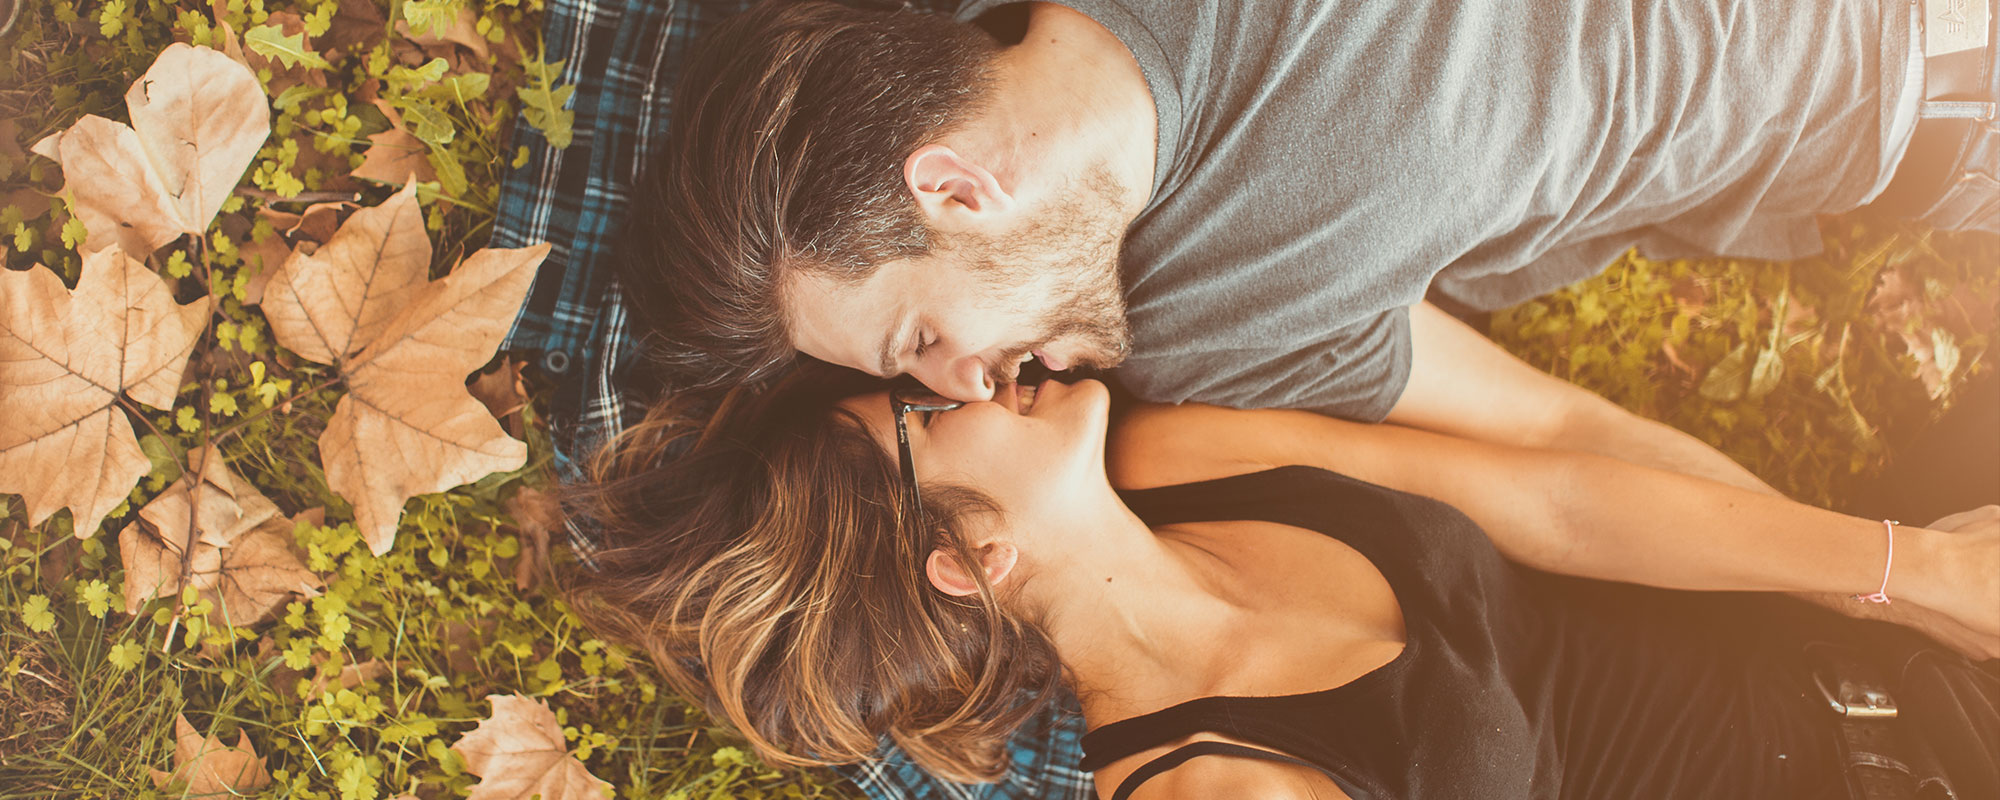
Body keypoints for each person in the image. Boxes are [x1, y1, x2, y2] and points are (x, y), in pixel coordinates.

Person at [616, 0, 1996, 504]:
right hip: (1930, 125)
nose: (967, 385)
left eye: (922, 340)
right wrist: (1885, 580)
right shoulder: (1210, 335)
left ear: (957, 188)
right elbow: (1560, 441)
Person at [565, 369, 2000, 799]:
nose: (963, 371)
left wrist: (1910, 572)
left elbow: (1557, 498)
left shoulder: (1173, 457)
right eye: (927, 411)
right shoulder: (1212, 788)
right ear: (967, 556)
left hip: (1861, 638)